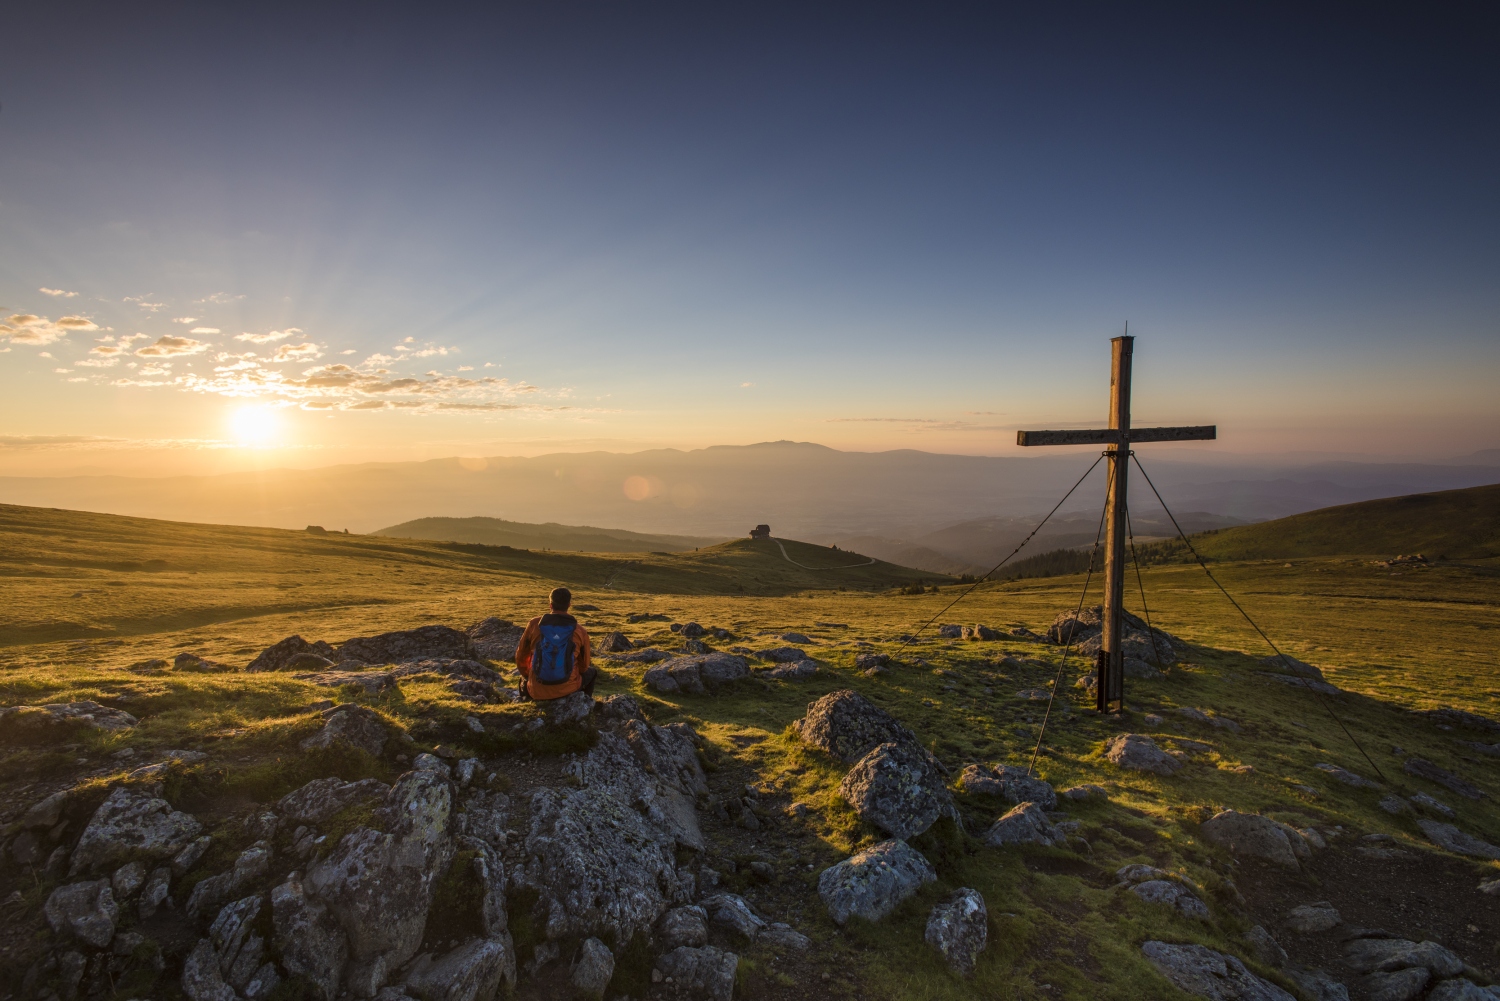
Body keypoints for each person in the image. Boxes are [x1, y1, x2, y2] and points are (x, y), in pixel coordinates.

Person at [514, 586, 595, 701]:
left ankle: (527, 702)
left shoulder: (534, 624)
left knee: (523, 679)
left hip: (536, 690)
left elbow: (521, 656)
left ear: (550, 605)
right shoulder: (579, 631)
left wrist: (528, 675)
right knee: (592, 673)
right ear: (569, 605)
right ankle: (583, 704)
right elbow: (584, 666)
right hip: (568, 688)